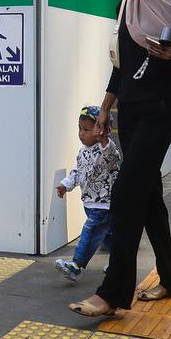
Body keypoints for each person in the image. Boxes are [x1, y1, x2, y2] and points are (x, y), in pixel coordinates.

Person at [68, 0, 171, 317]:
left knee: (126, 195)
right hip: (129, 113)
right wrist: (104, 109)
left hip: (158, 113)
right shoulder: (126, 5)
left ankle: (113, 293)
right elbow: (121, 68)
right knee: (149, 200)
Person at [54, 106, 121, 281]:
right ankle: (120, 262)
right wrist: (66, 185)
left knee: (90, 230)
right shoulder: (83, 151)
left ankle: (76, 265)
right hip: (90, 203)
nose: (81, 134)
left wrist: (105, 140)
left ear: (101, 130)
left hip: (104, 203)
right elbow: (78, 171)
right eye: (80, 129)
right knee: (107, 236)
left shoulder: (106, 149)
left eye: (86, 129)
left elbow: (113, 160)